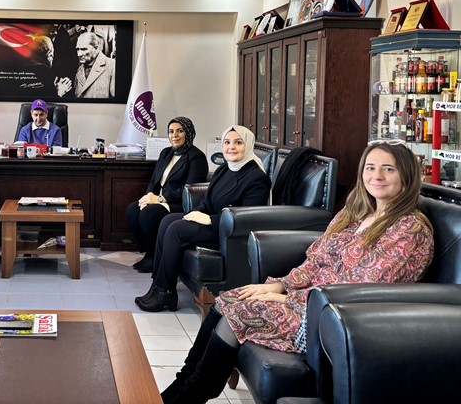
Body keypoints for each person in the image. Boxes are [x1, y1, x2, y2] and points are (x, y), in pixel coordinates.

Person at [161, 141, 434, 404]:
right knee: (228, 299)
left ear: (406, 176)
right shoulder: (355, 213)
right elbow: (316, 260)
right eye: (370, 167)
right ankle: (181, 384)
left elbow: (362, 290)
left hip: (336, 317)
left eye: (389, 169)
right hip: (310, 299)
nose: (377, 176)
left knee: (239, 314)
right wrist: (280, 285)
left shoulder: (409, 228)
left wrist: (288, 299)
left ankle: (192, 393)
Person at [135, 125, 271, 312]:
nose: (231, 147)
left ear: (248, 145)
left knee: (176, 229)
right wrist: (196, 213)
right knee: (167, 221)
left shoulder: (256, 178)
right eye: (227, 142)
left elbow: (248, 218)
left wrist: (209, 220)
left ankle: (164, 292)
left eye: (238, 142)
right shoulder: (224, 169)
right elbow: (207, 200)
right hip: (213, 221)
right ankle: (158, 287)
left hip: (228, 232)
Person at [126, 116, 209, 272]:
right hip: (158, 199)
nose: (174, 135)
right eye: (171, 131)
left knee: (149, 214)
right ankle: (149, 252)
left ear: (189, 133)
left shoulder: (196, 157)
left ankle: (155, 257)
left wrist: (160, 198)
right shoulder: (166, 153)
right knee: (133, 210)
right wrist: (148, 196)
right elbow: (154, 180)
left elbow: (190, 189)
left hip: (179, 203)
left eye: (180, 131)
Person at [56, 31, 115, 98]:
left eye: (83, 49)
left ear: (95, 48)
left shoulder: (111, 66)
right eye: (77, 49)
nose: (79, 54)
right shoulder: (80, 70)